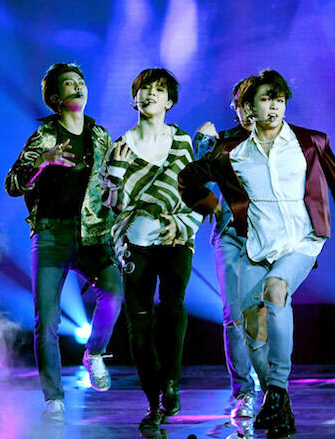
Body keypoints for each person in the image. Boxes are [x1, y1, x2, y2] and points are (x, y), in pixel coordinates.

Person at [178, 69, 335, 437]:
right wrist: (208, 202)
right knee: (249, 324)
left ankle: (277, 388)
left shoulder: (310, 141)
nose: (274, 105)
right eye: (265, 99)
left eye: (278, 99)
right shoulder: (231, 151)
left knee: (276, 289)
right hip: (256, 242)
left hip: (301, 239)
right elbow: (187, 178)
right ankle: (276, 399)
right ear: (248, 108)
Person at [5, 63, 124, 421]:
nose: (77, 87)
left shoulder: (100, 136)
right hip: (51, 234)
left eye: (80, 81)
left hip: (93, 234)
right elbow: (13, 184)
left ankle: (95, 353)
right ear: (55, 98)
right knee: (47, 320)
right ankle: (54, 398)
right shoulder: (45, 136)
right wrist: (42, 162)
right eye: (69, 84)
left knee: (114, 293)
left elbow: (108, 187)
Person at [99, 68, 201, 434]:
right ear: (134, 98)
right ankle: (153, 402)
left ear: (170, 101)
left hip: (175, 237)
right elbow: (111, 204)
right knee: (139, 321)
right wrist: (116, 173)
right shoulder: (120, 146)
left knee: (173, 308)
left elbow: (193, 191)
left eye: (159, 89)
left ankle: (171, 381)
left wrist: (181, 225)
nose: (150, 94)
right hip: (134, 241)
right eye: (144, 88)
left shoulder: (182, 142)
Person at [192, 80, 259, 419]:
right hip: (231, 234)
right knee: (234, 314)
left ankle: (269, 382)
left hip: (270, 237)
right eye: (241, 104)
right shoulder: (223, 142)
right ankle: (243, 391)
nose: (248, 111)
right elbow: (196, 175)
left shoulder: (283, 141)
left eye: (253, 103)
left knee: (264, 313)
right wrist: (202, 142)